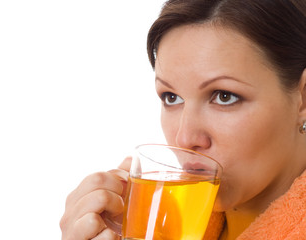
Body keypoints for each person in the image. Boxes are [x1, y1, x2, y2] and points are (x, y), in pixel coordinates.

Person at [60, 0, 306, 239]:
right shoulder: (163, 224)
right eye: (171, 97)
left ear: (302, 99)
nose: (185, 138)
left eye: (224, 96)